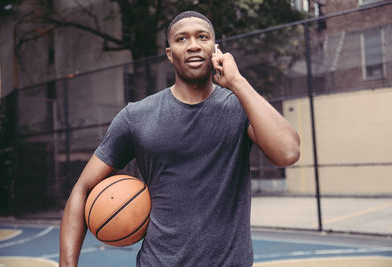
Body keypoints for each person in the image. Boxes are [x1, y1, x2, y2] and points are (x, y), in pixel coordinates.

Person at [59, 10, 300, 267]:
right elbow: (82, 189)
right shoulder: (137, 116)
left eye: (202, 37)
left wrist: (237, 82)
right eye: (182, 39)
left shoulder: (240, 106)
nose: (193, 45)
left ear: (215, 49)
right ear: (170, 53)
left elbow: (287, 153)